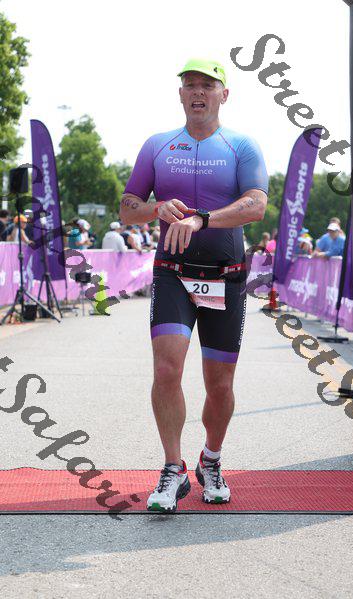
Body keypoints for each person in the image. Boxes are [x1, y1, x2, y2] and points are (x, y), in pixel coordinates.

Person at [120, 58, 269, 512]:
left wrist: (203, 219)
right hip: (173, 273)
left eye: (208, 84)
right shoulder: (158, 145)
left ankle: (211, 459)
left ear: (225, 94)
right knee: (167, 370)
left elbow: (256, 205)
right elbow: (128, 207)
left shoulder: (241, 145)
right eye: (190, 85)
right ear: (180, 94)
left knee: (219, 384)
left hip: (226, 275)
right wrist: (156, 208)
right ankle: (173, 468)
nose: (198, 91)